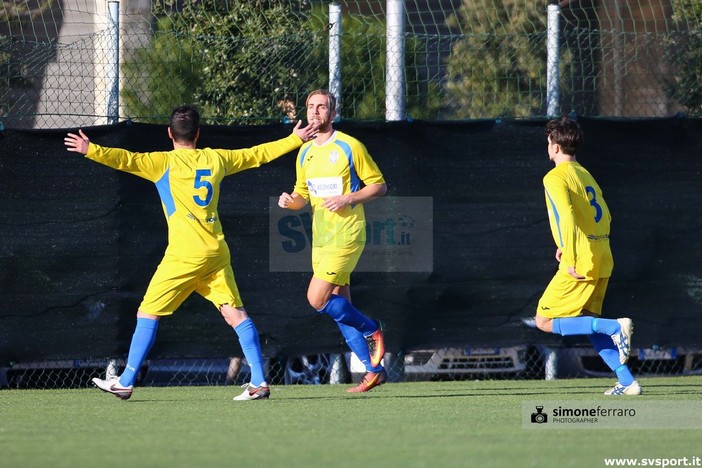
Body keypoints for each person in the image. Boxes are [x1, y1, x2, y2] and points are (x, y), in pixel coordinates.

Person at [64, 105, 318, 401]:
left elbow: (125, 159)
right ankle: (259, 382)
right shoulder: (216, 158)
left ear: (170, 134)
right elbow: (255, 154)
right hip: (215, 252)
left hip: (184, 256)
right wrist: (294, 139)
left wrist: (90, 149)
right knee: (236, 314)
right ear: (198, 134)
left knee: (148, 312)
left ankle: (126, 380)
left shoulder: (161, 162)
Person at [278, 89, 387, 393]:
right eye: (311, 106)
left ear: (332, 113)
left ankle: (372, 329)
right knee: (340, 306)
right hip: (321, 239)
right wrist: (290, 202)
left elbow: (379, 186)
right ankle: (374, 369)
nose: (315, 112)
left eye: (321, 107)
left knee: (316, 299)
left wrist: (349, 197)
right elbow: (302, 197)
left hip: (347, 234)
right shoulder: (305, 153)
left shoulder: (350, 146)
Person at [534, 116, 641, 396]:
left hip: (580, 260)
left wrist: (569, 256)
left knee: (543, 321)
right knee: (590, 322)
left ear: (555, 146)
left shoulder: (554, 176)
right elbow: (604, 215)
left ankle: (615, 327)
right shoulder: (584, 173)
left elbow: (567, 217)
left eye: (548, 142)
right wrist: (576, 244)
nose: (548, 147)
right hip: (602, 254)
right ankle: (627, 382)